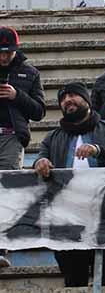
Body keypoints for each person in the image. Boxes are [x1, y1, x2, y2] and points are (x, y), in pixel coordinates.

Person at [34, 82, 105, 287]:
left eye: (73, 95)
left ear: (87, 101)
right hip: (68, 218)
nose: (67, 101)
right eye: (63, 98)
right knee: (73, 278)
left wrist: (99, 150)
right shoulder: (52, 137)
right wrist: (40, 163)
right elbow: (40, 159)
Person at [0, 27, 45, 269]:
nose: (4, 57)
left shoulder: (29, 73)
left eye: (9, 52)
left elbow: (39, 111)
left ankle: (1, 247)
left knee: (7, 190)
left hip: (11, 137)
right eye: (1, 52)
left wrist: (17, 95)